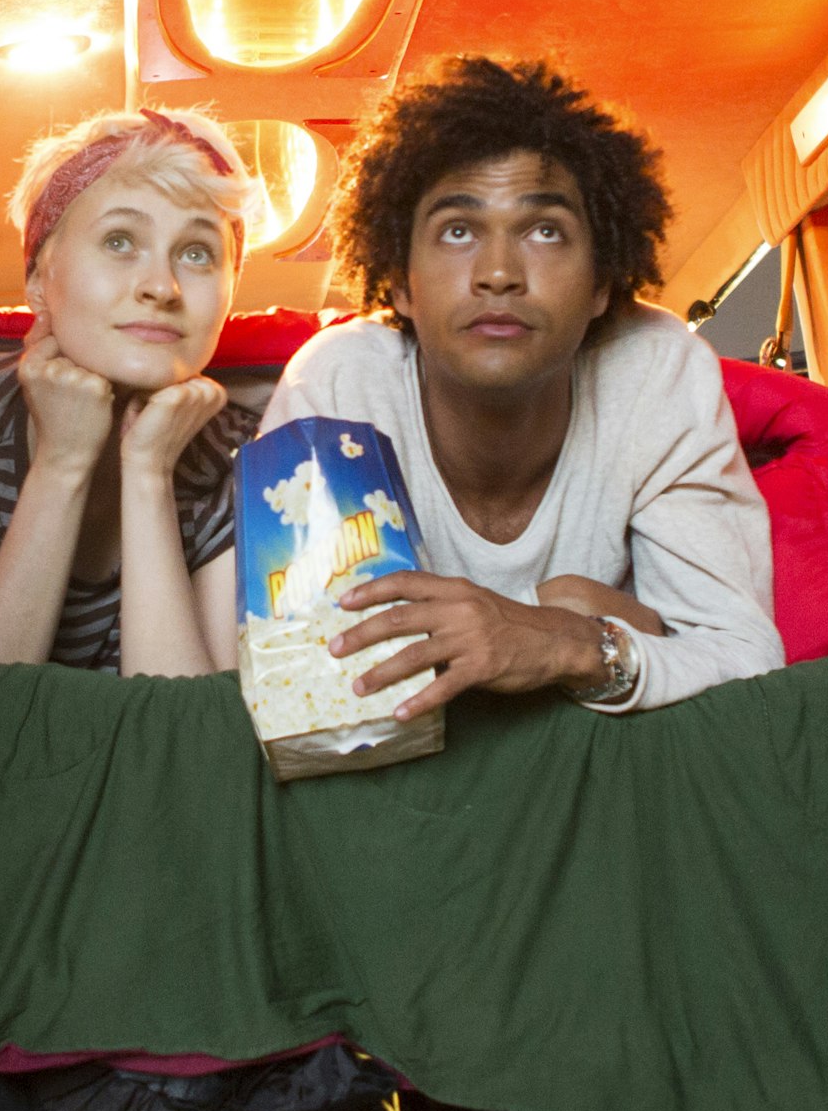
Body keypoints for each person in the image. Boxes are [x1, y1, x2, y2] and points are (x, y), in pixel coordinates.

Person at [265, 55, 783, 716]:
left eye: (544, 231)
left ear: (602, 284)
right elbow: (309, 680)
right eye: (458, 231)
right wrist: (582, 610)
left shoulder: (657, 369)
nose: (500, 273)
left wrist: (571, 642)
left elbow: (745, 657)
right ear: (399, 283)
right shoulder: (339, 385)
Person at [0, 107, 254, 676]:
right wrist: (62, 462)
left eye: (197, 253)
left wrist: (149, 473)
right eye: (120, 240)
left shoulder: (245, 453)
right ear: (40, 281)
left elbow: (188, 721)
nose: (162, 287)